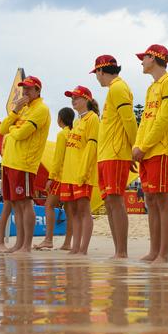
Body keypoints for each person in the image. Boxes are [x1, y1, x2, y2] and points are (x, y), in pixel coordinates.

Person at [133, 44, 168, 264]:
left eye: (144, 57)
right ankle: (154, 251)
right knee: (150, 200)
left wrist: (145, 145)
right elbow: (145, 120)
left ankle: (164, 253)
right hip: (147, 150)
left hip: (161, 149)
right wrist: (138, 145)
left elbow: (163, 120)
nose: (141, 61)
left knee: (162, 199)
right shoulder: (152, 87)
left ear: (154, 58)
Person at [93, 54, 139, 258]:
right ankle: (118, 250)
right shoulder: (114, 89)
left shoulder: (119, 88)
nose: (96, 77)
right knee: (110, 202)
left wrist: (134, 149)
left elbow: (129, 120)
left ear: (101, 71)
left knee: (116, 200)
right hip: (107, 153)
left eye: (96, 73)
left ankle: (122, 251)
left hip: (116, 152)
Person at [0, 76, 52, 253]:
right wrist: (15, 111)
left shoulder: (41, 109)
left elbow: (22, 134)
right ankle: (18, 243)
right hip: (10, 161)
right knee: (15, 204)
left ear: (38, 91)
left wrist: (13, 129)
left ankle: (26, 245)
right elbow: (1, 130)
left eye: (29, 89)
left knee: (25, 203)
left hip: (25, 163)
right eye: (24, 89)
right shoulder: (22, 109)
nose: (25, 92)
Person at [61, 85, 99, 255]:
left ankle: (83, 248)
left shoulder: (93, 119)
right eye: (72, 98)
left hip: (82, 173)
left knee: (84, 210)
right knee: (73, 212)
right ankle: (75, 247)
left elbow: (92, 147)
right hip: (69, 173)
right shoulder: (77, 122)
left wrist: (84, 171)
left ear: (86, 99)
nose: (73, 100)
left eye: (76, 97)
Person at [37, 108, 75, 251]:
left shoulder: (62, 134)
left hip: (60, 177)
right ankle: (67, 243)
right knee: (70, 210)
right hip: (72, 176)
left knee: (49, 205)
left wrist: (50, 177)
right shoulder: (74, 133)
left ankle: (48, 239)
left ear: (60, 119)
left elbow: (58, 159)